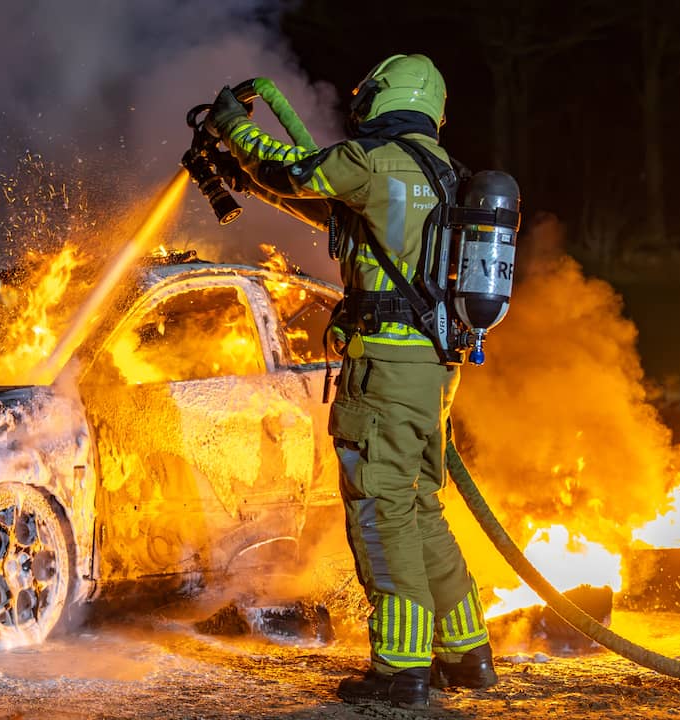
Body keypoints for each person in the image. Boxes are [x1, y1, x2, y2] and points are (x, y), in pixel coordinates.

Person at [206, 53, 498, 709]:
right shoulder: (444, 174)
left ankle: (401, 670)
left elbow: (295, 171)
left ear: (383, 96)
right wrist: (250, 181)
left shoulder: (377, 161)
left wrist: (232, 126)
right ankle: (467, 652)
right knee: (420, 506)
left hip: (386, 370)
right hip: (432, 370)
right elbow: (334, 212)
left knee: (381, 510)